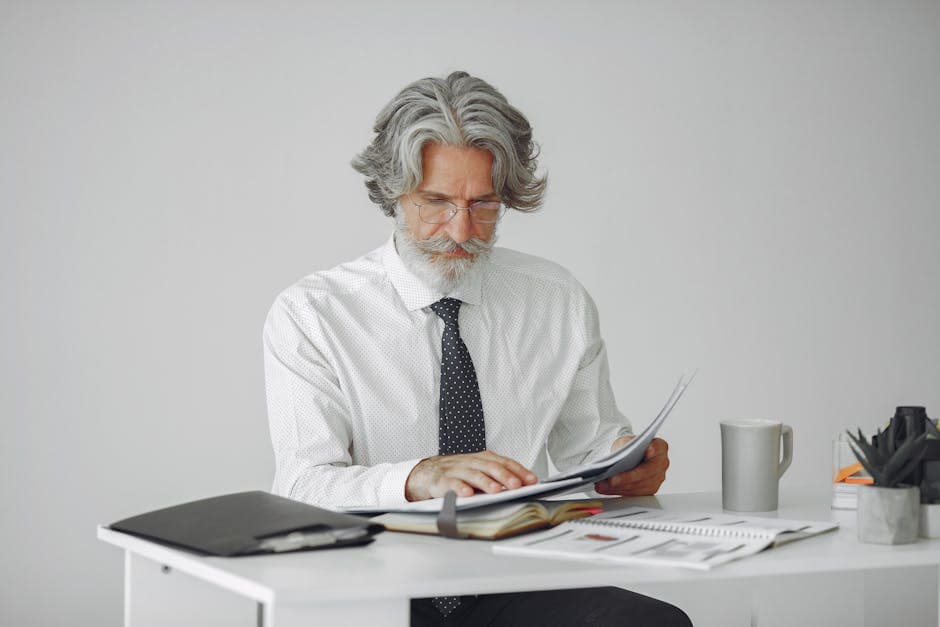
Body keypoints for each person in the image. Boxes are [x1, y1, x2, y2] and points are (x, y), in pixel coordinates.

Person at [263, 71, 691, 627]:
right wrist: (419, 477)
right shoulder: (313, 313)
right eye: (436, 202)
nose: (462, 230)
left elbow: (592, 446)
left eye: (484, 205)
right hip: (373, 590)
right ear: (394, 193)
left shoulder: (556, 300)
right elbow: (302, 485)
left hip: (515, 576)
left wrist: (629, 467)